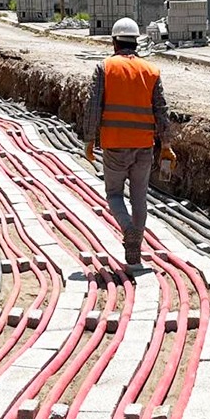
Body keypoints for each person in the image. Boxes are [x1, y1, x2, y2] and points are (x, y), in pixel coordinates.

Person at [83, 17, 175, 268]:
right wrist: (166, 145)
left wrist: (89, 139)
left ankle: (128, 230)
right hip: (144, 146)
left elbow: (93, 106)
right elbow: (161, 111)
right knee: (139, 198)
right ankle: (138, 242)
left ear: (114, 42)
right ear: (136, 42)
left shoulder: (105, 67)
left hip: (114, 145)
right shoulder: (151, 71)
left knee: (114, 194)